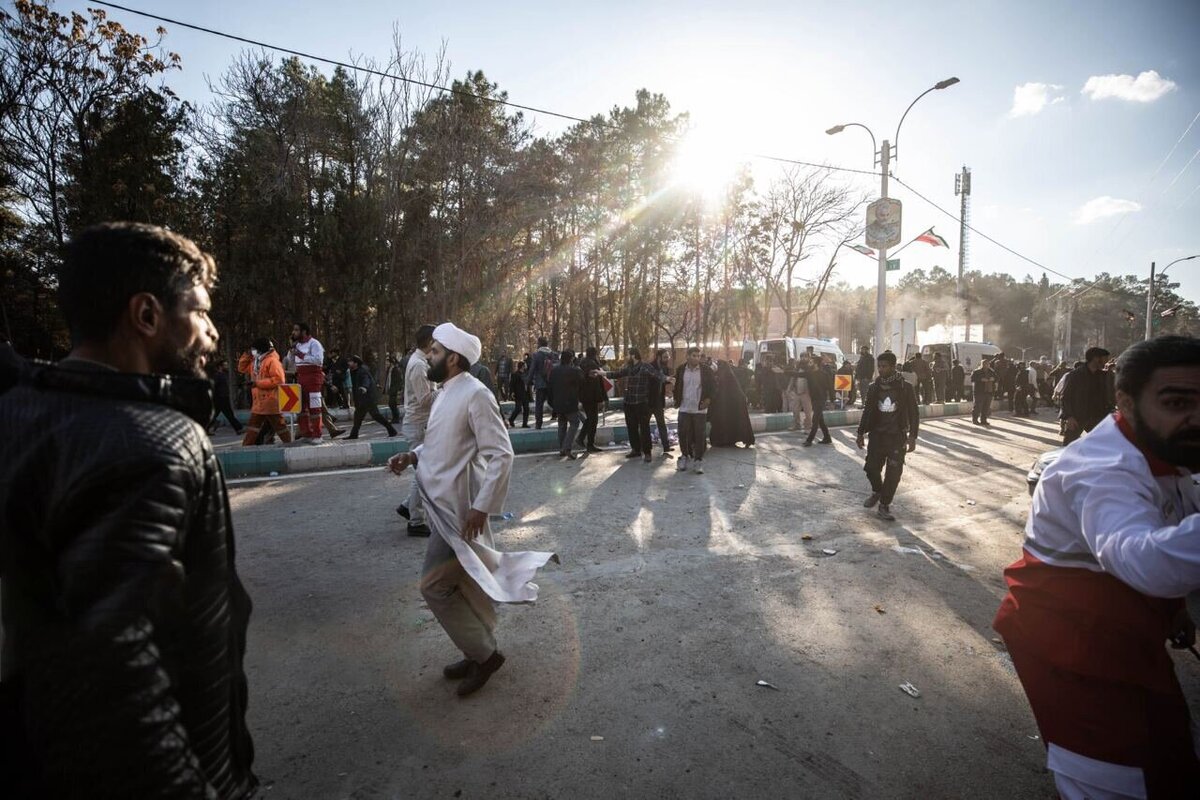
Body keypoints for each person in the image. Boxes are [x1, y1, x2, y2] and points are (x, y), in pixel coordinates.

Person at [0, 222, 256, 797]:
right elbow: (112, 668)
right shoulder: (157, 444)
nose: (211, 332)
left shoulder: (18, 413)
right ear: (146, 316)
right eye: (200, 312)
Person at [993, 336, 1200, 799]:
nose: (1196, 416)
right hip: (1073, 643)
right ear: (1125, 401)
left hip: (1128, 628)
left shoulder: (1165, 449)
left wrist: (1172, 611)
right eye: (1177, 401)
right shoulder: (1101, 469)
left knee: (1167, 750)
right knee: (1111, 771)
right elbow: (1142, 557)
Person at [386, 323, 556, 697]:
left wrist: (482, 508)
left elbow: (501, 453)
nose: (427, 356)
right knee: (466, 583)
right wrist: (411, 455)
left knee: (434, 587)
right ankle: (476, 649)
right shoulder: (446, 392)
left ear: (452, 357)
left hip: (461, 512)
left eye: (433, 351)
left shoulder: (476, 394)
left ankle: (485, 654)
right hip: (442, 506)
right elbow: (442, 446)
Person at [856, 351, 919, 522]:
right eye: (879, 366)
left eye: (884, 366)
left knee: (893, 473)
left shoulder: (906, 387)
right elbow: (868, 411)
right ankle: (877, 491)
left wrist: (913, 436)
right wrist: (860, 432)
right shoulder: (873, 387)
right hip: (877, 436)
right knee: (870, 468)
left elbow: (914, 413)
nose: (881, 370)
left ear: (892, 366)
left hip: (896, 438)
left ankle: (884, 505)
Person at [399, 324, 438, 536]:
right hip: (418, 424)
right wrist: (447, 389)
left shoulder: (422, 363)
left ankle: (407, 506)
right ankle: (415, 520)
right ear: (430, 342)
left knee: (422, 473)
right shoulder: (418, 366)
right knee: (424, 475)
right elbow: (425, 400)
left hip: (420, 424)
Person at [599, 348, 666, 463]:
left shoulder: (645, 366)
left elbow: (657, 375)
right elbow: (618, 374)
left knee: (644, 428)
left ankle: (647, 452)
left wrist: (668, 378)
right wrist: (602, 373)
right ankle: (635, 449)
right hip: (629, 403)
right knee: (631, 427)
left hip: (641, 403)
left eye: (628, 355)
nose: (627, 357)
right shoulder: (629, 368)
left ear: (634, 355)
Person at [238, 337, 292, 445]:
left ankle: (290, 444)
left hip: (270, 401)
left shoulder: (272, 361)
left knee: (278, 426)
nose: (252, 351)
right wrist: (247, 355)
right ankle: (246, 447)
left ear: (261, 349)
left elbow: (279, 380)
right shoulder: (256, 361)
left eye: (254, 349)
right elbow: (242, 368)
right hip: (259, 401)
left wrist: (257, 384)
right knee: (254, 427)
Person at [673, 346, 716, 474]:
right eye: (694, 356)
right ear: (687, 356)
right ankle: (685, 457)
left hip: (699, 409)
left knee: (699, 436)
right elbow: (678, 386)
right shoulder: (681, 369)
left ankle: (698, 461)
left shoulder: (706, 370)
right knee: (682, 433)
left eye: (698, 356)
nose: (697, 358)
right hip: (684, 407)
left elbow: (714, 387)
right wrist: (675, 397)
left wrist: (708, 400)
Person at [1060, 346, 1114, 445]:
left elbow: (1109, 395)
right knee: (1068, 446)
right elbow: (1066, 397)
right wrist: (1069, 417)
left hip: (1097, 417)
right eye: (1105, 359)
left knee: (1103, 445)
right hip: (1077, 417)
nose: (1106, 362)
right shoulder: (1075, 375)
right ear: (1096, 358)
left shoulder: (1104, 376)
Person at [289, 321, 326, 439]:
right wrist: (292, 348)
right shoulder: (297, 345)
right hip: (301, 378)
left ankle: (317, 434)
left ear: (304, 332)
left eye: (296, 330)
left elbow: (318, 360)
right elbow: (291, 360)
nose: (293, 332)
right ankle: (306, 433)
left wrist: (301, 355)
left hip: (313, 378)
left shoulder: (314, 344)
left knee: (314, 407)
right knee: (300, 407)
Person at [346, 355, 398, 439]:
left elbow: (366, 379)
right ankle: (354, 434)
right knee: (358, 417)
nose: (349, 363)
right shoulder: (354, 371)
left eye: (350, 361)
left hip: (368, 398)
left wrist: (364, 387)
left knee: (376, 415)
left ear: (356, 363)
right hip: (362, 399)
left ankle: (392, 430)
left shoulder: (362, 371)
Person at [710, 360, 756, 447]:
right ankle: (729, 440)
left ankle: (726, 440)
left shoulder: (724, 375)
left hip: (729, 404)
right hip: (730, 404)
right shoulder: (728, 375)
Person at [548, 349, 583, 459]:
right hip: (570, 402)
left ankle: (562, 449)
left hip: (557, 403)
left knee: (561, 425)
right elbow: (582, 382)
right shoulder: (574, 370)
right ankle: (567, 447)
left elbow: (550, 387)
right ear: (571, 359)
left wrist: (551, 402)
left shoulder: (554, 371)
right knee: (574, 423)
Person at [577, 346, 607, 453]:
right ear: (595, 354)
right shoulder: (593, 365)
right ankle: (589, 443)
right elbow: (597, 385)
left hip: (584, 396)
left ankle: (581, 438)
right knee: (593, 420)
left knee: (589, 419)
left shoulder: (582, 363)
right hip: (592, 397)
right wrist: (601, 399)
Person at [648, 349, 675, 456]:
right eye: (665, 357)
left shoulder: (665, 368)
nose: (667, 359)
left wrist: (671, 384)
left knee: (662, 424)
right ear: (658, 357)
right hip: (649, 401)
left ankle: (666, 447)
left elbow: (664, 382)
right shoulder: (650, 367)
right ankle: (644, 448)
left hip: (659, 401)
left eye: (668, 357)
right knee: (645, 425)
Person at [208, 359, 244, 435]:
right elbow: (213, 386)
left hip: (223, 397)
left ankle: (206, 428)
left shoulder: (223, 374)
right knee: (229, 414)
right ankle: (239, 428)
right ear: (219, 367)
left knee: (215, 414)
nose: (226, 366)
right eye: (225, 365)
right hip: (220, 398)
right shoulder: (217, 375)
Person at [803, 358, 833, 447]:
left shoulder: (824, 375)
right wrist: (783, 372)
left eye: (811, 362)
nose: (809, 363)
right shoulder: (810, 373)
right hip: (814, 399)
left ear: (816, 364)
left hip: (821, 399)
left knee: (815, 420)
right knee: (820, 420)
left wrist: (832, 400)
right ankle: (827, 438)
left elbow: (831, 387)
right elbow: (798, 374)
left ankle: (809, 440)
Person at [528, 336, 555, 429]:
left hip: (540, 384)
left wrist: (528, 381)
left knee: (539, 405)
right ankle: (563, 417)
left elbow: (532, 370)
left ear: (539, 344)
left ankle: (538, 424)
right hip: (551, 383)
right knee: (554, 402)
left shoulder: (536, 355)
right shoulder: (553, 354)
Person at [781, 358, 812, 433]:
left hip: (806, 394)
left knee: (807, 411)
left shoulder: (808, 372)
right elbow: (792, 380)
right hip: (797, 393)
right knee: (795, 410)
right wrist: (789, 389)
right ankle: (796, 424)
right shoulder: (796, 371)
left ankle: (807, 427)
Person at [971, 357, 997, 427]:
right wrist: (981, 379)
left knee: (986, 407)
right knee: (977, 406)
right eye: (984, 364)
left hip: (989, 391)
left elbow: (996, 378)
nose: (986, 365)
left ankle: (984, 420)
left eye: (987, 364)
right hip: (980, 391)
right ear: (981, 364)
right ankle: (975, 419)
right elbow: (972, 379)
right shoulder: (977, 371)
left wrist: (993, 379)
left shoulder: (991, 371)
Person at [508, 360, 530, 428]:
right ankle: (511, 420)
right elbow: (512, 384)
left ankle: (524, 423)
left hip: (525, 394)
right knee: (518, 408)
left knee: (526, 408)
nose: (526, 366)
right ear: (522, 366)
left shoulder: (525, 374)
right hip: (518, 394)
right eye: (525, 365)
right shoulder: (515, 374)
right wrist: (512, 393)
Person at [385, 351, 405, 424]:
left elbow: (399, 380)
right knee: (391, 404)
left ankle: (396, 418)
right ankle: (395, 418)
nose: (386, 364)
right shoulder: (390, 369)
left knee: (392, 403)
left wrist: (396, 389)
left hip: (394, 389)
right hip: (392, 389)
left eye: (387, 362)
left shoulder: (395, 369)